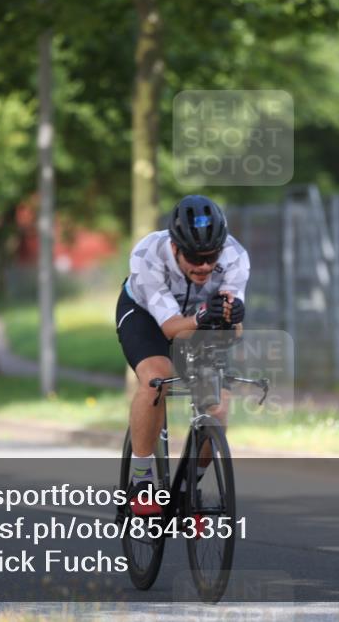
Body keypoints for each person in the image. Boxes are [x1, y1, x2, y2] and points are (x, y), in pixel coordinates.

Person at [116, 195, 249, 515]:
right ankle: (141, 479)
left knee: (217, 406)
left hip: (198, 318)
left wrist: (231, 318)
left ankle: (190, 487)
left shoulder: (235, 257)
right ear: (175, 248)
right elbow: (170, 330)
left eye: (210, 257)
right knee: (155, 380)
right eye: (194, 257)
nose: (204, 266)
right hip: (146, 315)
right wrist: (203, 317)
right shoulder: (148, 255)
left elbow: (235, 332)